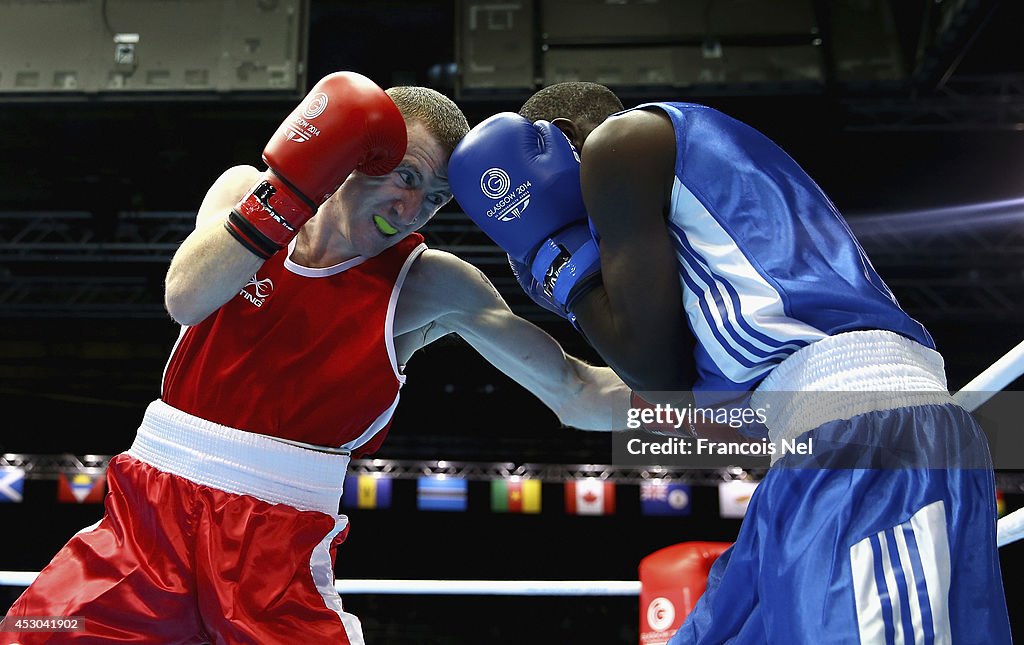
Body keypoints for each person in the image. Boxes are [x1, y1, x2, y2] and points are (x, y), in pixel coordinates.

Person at [0, 73, 629, 644]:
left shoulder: (430, 282)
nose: (410, 210)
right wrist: (295, 188)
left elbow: (577, 396)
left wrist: (717, 418)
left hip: (274, 556)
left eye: (434, 198)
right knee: (35, 633)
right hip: (146, 525)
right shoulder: (248, 192)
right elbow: (184, 297)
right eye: (406, 176)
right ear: (358, 154)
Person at [448, 82, 1012, 643]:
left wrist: (560, 261)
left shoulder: (620, 142)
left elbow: (654, 376)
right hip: (813, 454)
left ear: (565, 143)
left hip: (868, 438)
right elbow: (599, 397)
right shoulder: (715, 286)